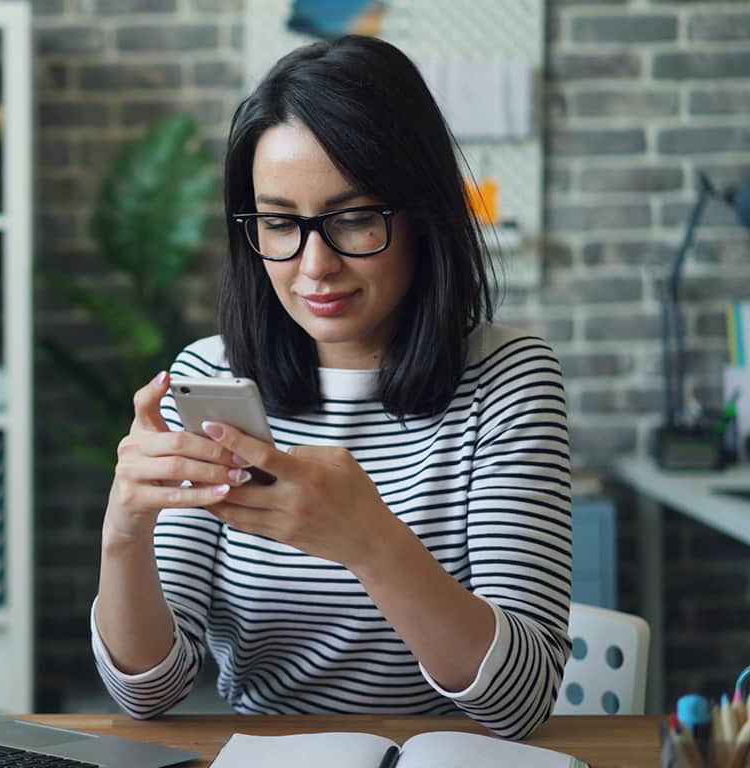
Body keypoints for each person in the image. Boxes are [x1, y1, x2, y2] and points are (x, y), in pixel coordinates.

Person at [90, 34, 572, 741]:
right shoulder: (210, 377)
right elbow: (149, 691)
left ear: (422, 217)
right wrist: (123, 534)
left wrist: (371, 543)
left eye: (352, 218)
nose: (315, 265)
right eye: (281, 223)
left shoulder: (507, 378)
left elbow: (521, 702)